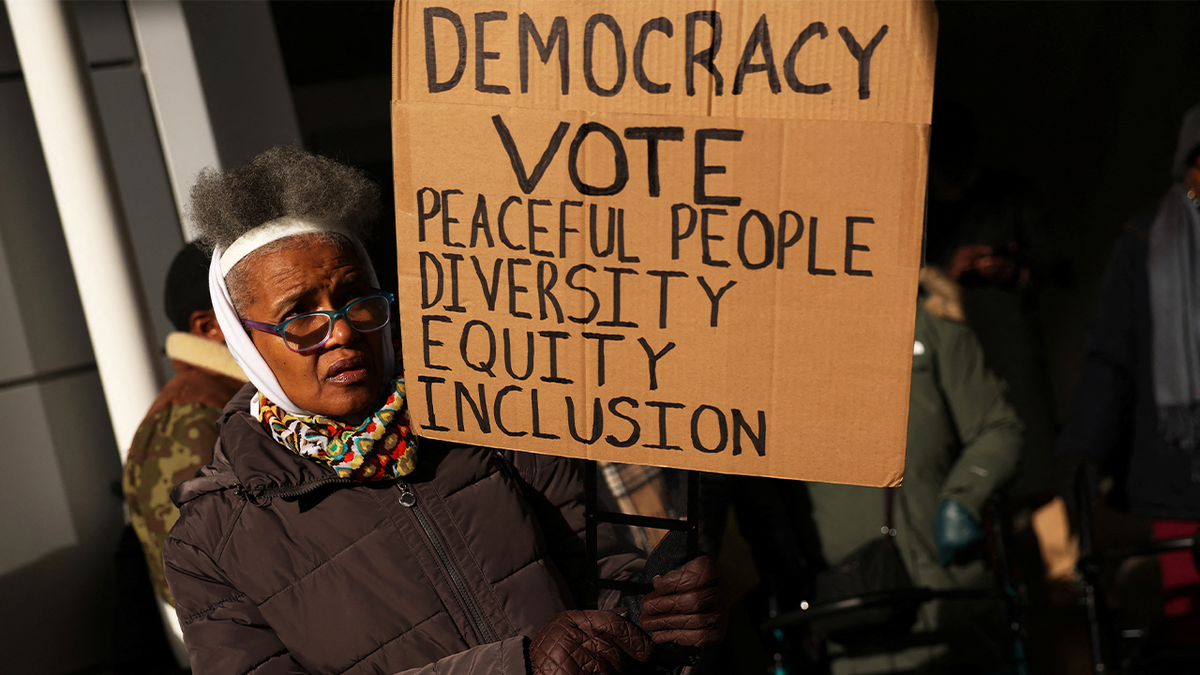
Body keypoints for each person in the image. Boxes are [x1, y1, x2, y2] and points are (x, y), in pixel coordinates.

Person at [162, 146, 726, 674]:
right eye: (300, 316)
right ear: (244, 342)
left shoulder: (486, 414)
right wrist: (517, 665)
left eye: (357, 297)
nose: (342, 332)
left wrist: (656, 610)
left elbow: (596, 575)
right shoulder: (210, 540)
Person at [805, 271, 1024, 673]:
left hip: (947, 604)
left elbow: (998, 426)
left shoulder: (928, 322)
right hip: (852, 623)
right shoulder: (785, 341)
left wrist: (964, 496)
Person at [1057, 102, 1200, 643]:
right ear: (1188, 165)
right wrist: (1083, 445)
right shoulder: (1145, 244)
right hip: (1179, 473)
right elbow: (1111, 354)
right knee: (1190, 626)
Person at [123, 242, 248, 607]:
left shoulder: (232, 399)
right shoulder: (189, 419)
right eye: (251, 299)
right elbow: (203, 587)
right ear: (209, 326)